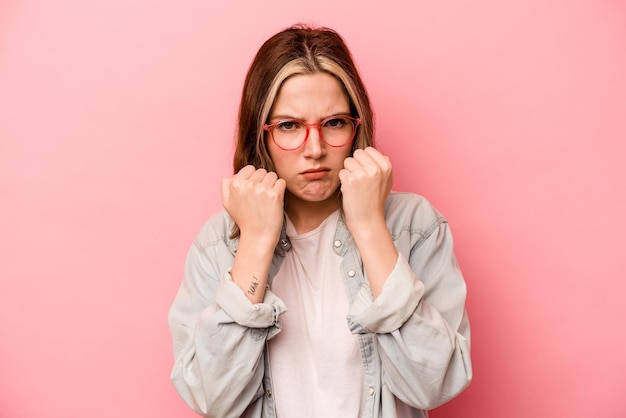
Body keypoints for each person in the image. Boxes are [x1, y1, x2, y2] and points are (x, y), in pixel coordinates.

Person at [168, 24, 472, 418]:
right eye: (289, 126)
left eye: (333, 123)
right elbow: (211, 397)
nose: (315, 150)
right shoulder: (217, 244)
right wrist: (257, 242)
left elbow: (435, 385)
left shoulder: (414, 225)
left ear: (355, 126)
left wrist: (369, 227)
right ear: (259, 135)